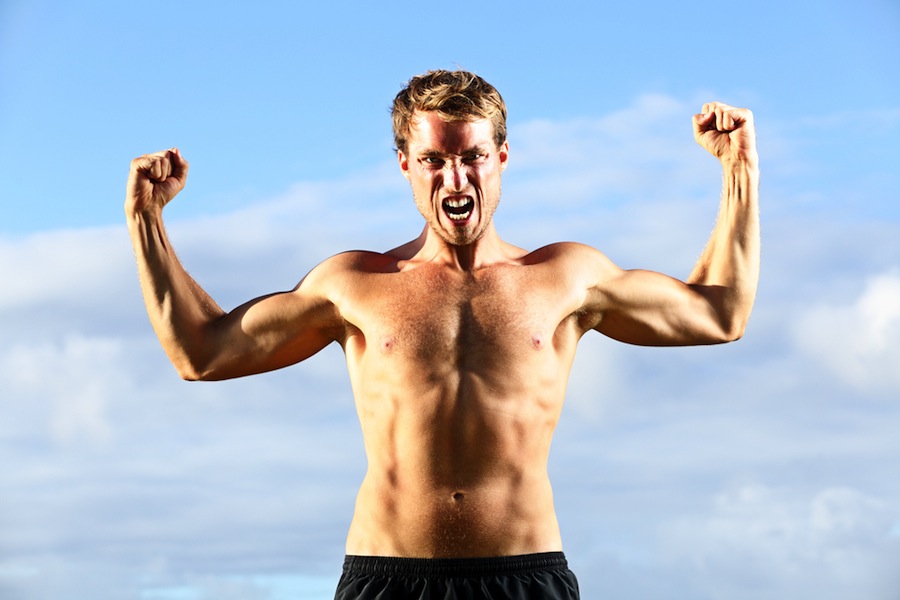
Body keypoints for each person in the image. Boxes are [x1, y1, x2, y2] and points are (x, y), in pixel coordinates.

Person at [125, 69, 759, 600]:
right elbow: (200, 352)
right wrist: (145, 219)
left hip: (523, 576)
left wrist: (739, 171)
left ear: (501, 158)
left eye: (472, 157)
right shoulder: (353, 285)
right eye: (433, 159)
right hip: (388, 578)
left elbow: (717, 315)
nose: (455, 180)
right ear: (405, 164)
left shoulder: (567, 278)